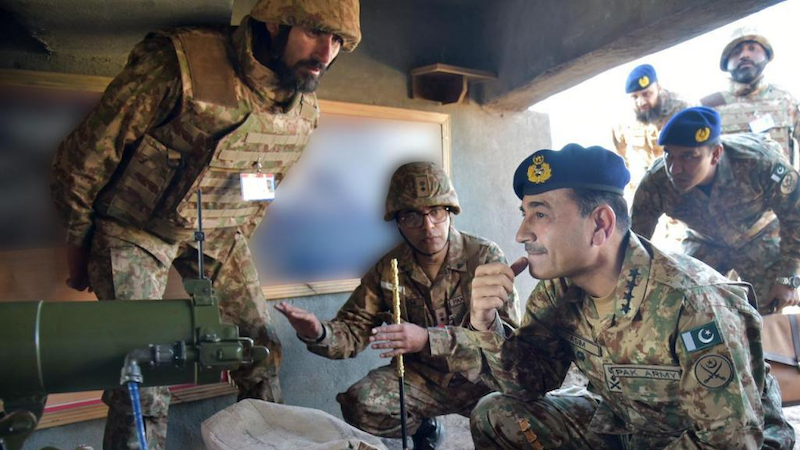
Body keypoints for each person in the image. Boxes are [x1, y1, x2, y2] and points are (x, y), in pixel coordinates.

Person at [49, 1, 361, 448]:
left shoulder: (303, 108)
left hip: (216, 229)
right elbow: (84, 157)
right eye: (315, 33)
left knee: (262, 351)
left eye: (339, 41)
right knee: (142, 371)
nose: (326, 52)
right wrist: (81, 243)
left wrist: (231, 241)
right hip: (134, 229)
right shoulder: (180, 65)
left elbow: (263, 190)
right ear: (275, 23)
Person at [430, 144, 794, 449]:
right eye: (525, 214)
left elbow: (729, 442)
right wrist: (486, 325)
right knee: (495, 414)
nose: (522, 232)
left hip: (721, 441)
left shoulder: (693, 303)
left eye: (539, 213)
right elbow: (527, 385)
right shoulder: (557, 293)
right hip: (630, 426)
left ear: (601, 224)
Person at [275, 161, 520, 450]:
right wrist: (317, 332)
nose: (428, 227)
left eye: (436, 212)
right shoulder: (388, 268)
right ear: (398, 222)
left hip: (481, 376)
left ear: (450, 212)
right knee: (362, 402)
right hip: (421, 379)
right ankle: (425, 429)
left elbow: (509, 340)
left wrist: (428, 339)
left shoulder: (483, 256)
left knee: (520, 419)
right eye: (412, 216)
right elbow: (353, 330)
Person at [631, 106, 800, 314]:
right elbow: (635, 240)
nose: (675, 169)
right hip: (704, 241)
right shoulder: (656, 182)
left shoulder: (759, 163)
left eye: (688, 157)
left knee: (768, 308)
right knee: (688, 304)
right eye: (669, 155)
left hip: (758, 237)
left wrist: (789, 279)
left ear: (715, 154)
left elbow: (795, 218)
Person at [700, 27, 800, 166]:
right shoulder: (708, 107)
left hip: (780, 186)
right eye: (736, 52)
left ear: (766, 54)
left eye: (752, 48)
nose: (744, 55)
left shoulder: (785, 100)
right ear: (726, 62)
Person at [611, 64, 690, 199]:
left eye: (646, 94)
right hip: (647, 188)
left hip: (681, 185)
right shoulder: (624, 119)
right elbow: (618, 155)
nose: (641, 102)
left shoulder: (683, 109)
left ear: (659, 88)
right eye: (634, 97)